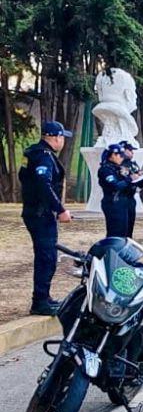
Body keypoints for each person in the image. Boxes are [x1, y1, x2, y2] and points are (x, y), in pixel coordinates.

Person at [20, 121, 73, 316]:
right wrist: (59, 209)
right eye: (62, 138)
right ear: (55, 137)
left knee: (46, 255)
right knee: (47, 257)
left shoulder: (33, 153)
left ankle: (44, 296)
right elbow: (43, 184)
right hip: (41, 214)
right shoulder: (44, 157)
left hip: (35, 211)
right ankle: (40, 300)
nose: (63, 142)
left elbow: (25, 178)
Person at [98, 143, 134, 237]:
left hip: (122, 202)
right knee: (115, 234)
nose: (122, 158)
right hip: (113, 203)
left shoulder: (118, 168)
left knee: (124, 233)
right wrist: (129, 179)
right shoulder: (106, 170)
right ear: (113, 155)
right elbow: (115, 185)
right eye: (120, 156)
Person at [120, 141, 140, 238]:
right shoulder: (118, 164)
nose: (132, 152)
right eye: (130, 150)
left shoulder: (133, 164)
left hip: (131, 197)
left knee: (130, 225)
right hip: (120, 198)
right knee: (121, 227)